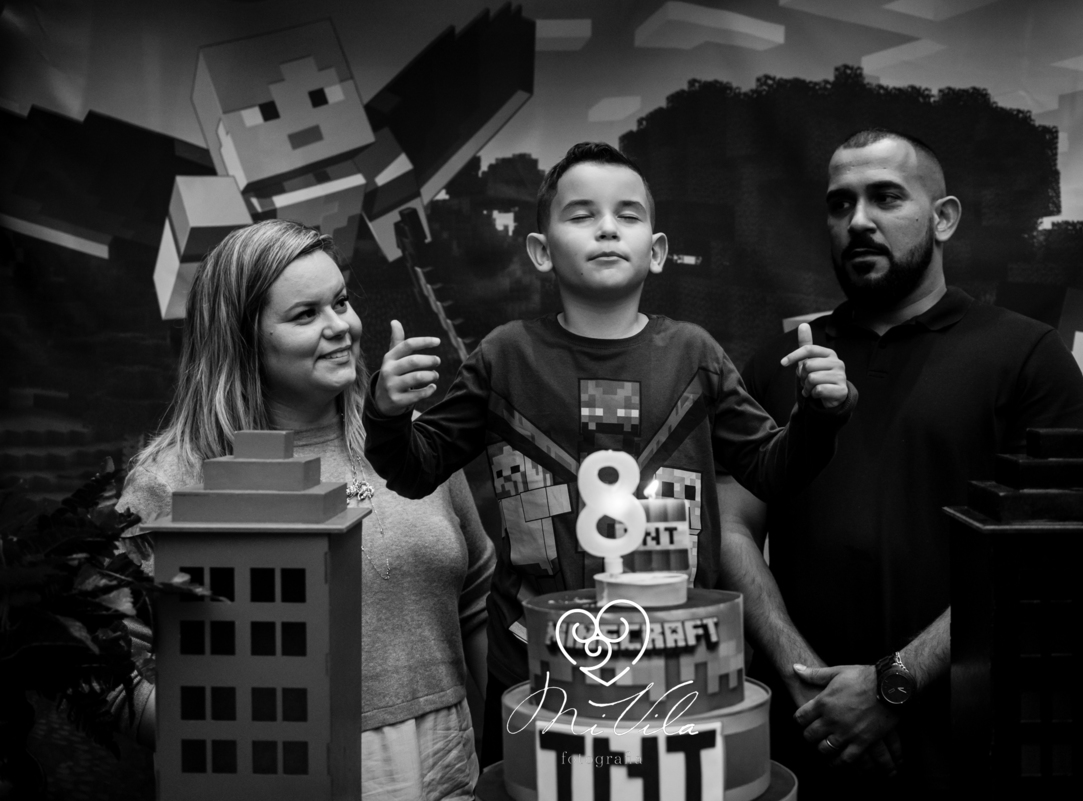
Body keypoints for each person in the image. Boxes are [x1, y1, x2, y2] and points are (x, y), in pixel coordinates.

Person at [361, 141, 858, 764]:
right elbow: (413, 470)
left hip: (677, 675)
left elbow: (772, 471)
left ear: (657, 251)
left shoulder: (695, 354)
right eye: (581, 214)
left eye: (627, 214)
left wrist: (820, 413)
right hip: (535, 677)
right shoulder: (504, 356)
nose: (606, 228)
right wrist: (386, 411)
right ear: (541, 251)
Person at [718, 129, 1083, 791]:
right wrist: (805, 680)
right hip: (806, 737)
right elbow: (731, 526)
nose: (858, 221)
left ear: (943, 217)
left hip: (968, 746)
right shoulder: (781, 363)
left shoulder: (1026, 357)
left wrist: (893, 683)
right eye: (840, 204)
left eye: (886, 198)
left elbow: (1054, 550)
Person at [114, 219, 495, 800]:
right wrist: (234, 749)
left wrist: (510, 751)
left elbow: (478, 604)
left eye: (340, 302)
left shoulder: (413, 443)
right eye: (305, 314)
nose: (340, 326)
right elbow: (106, 666)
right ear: (242, 339)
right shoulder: (173, 480)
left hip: (446, 762)